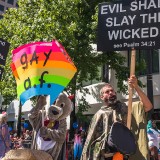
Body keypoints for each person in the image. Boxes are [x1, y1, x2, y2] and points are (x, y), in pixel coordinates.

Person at [80, 75, 153, 160]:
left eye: (112, 91)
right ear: (102, 97)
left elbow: (148, 106)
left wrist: (136, 86)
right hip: (106, 156)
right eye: (107, 92)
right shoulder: (99, 115)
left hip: (125, 155)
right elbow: (90, 141)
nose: (111, 93)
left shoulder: (125, 108)